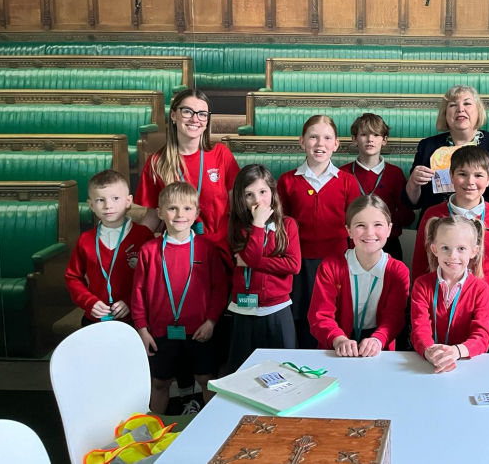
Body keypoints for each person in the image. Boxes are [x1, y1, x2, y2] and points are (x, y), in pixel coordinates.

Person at [130, 182, 228, 414]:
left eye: (186, 209)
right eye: (172, 209)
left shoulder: (206, 248)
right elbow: (138, 293)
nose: (180, 214)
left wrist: (211, 321)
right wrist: (142, 330)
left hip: (199, 330)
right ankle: (151, 432)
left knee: (206, 379)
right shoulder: (149, 250)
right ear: (160, 213)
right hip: (160, 331)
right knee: (159, 382)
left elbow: (219, 288)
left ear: (196, 213)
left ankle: (213, 426)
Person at [411, 146, 489, 352]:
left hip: (488, 308)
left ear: (488, 179)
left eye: (478, 175)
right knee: (438, 364)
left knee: (481, 370)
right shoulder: (433, 215)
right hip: (440, 306)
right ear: (451, 177)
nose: (470, 182)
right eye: (462, 174)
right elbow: (419, 263)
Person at [277, 115, 361, 348]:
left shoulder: (347, 181)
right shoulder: (287, 181)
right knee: (300, 314)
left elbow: (355, 226)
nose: (319, 143)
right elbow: (280, 227)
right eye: (313, 137)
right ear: (302, 142)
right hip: (299, 263)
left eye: (327, 138)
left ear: (336, 144)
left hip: (336, 261)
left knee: (334, 313)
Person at [135, 88, 240, 268]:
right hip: (176, 248)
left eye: (202, 114)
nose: (195, 119)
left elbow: (237, 209)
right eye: (187, 111)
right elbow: (153, 216)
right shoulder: (157, 162)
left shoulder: (221, 155)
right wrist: (133, 245)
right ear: (174, 115)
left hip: (219, 249)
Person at [402, 85, 489, 215]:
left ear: (478, 111)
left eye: (467, 103)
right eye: (453, 105)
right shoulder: (428, 146)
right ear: (445, 113)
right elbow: (410, 203)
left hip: (486, 227)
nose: (460, 109)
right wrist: (414, 182)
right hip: (438, 225)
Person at [308, 195, 410, 356]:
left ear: (389, 229)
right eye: (360, 225)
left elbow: (395, 317)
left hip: (379, 347)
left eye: (378, 225)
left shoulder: (398, 270)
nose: (370, 233)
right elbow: (320, 315)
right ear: (349, 230)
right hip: (337, 346)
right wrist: (338, 339)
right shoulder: (330, 267)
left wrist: (378, 339)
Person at [226, 164, 301, 372]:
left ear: (272, 192)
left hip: (277, 308)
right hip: (244, 308)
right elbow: (252, 255)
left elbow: (293, 265)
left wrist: (253, 263)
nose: (257, 200)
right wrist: (258, 225)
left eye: (262, 192)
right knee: (243, 371)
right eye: (249, 195)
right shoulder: (237, 227)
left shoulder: (288, 225)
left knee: (284, 369)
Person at [65, 169, 155, 326]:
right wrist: (89, 302)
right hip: (96, 318)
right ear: (91, 205)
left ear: (128, 201)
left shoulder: (143, 236)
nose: (108, 206)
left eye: (115, 198)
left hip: (135, 318)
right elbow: (73, 277)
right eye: (100, 200)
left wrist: (130, 301)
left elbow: (152, 277)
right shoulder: (85, 240)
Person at [410, 216, 489, 373]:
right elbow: (419, 328)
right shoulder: (421, 285)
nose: (452, 256)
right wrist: (430, 352)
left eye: (461, 249)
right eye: (445, 248)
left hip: (466, 362)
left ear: (473, 252)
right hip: (429, 362)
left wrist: (456, 352)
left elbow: (482, 336)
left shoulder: (481, 289)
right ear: (434, 249)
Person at [341, 113, 415, 262]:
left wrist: (378, 220)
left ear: (384, 140)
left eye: (376, 134)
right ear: (354, 139)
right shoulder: (343, 173)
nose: (370, 139)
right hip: (353, 245)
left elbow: (408, 216)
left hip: (388, 245)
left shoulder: (395, 173)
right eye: (364, 134)